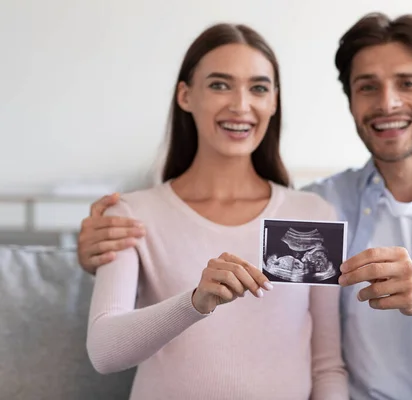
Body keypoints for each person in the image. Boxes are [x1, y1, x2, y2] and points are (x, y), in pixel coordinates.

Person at [77, 13, 412, 400]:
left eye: (408, 83)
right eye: (367, 86)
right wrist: (93, 254)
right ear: (351, 101)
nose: (387, 102)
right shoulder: (321, 206)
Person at [81, 22, 348, 400]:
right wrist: (196, 302)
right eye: (220, 85)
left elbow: (326, 366)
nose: (241, 105)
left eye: (258, 88)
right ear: (185, 96)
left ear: (273, 101)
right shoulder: (132, 214)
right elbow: (104, 351)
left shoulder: (310, 217)